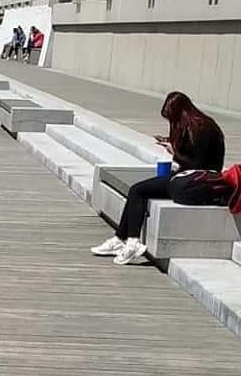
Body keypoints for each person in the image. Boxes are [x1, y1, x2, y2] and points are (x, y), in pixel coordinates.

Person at [91, 91, 229, 265]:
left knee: (138, 190)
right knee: (138, 190)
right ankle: (121, 239)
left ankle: (131, 241)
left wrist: (174, 153)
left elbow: (199, 163)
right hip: (189, 177)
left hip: (196, 181)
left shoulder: (201, 129)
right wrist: (171, 143)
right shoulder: (199, 125)